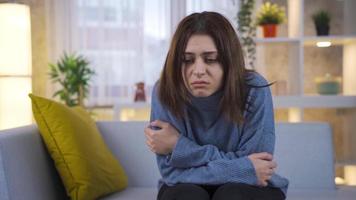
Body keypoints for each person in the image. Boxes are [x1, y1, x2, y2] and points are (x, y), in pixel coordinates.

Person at [144, 11, 289, 200]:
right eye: (187, 60)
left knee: (231, 194)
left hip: (250, 187)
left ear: (229, 61)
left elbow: (258, 168)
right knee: (185, 195)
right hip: (185, 186)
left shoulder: (254, 89)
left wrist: (179, 146)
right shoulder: (164, 91)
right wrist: (241, 167)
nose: (198, 71)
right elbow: (171, 174)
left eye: (210, 59)